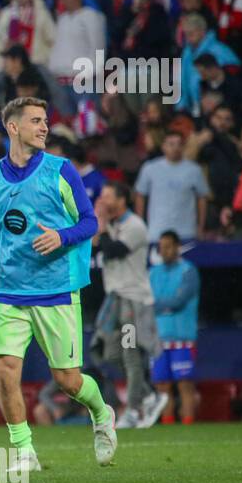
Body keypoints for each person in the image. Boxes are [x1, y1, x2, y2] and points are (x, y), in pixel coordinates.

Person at [0, 97, 112, 471]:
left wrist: (61, 237)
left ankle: (101, 412)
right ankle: (24, 451)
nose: (45, 127)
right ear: (13, 128)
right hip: (10, 291)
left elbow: (89, 222)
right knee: (5, 370)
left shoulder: (61, 170)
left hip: (56, 289)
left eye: (45, 120)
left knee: (67, 380)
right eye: (36, 121)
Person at [92, 181, 168, 428]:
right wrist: (97, 225)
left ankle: (134, 410)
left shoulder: (135, 225)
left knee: (130, 354)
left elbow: (113, 250)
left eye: (107, 196)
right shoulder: (112, 225)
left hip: (133, 300)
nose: (102, 200)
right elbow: (93, 248)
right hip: (115, 299)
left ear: (122, 200)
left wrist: (101, 226)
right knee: (108, 352)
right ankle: (149, 395)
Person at [148, 231, 201, 426]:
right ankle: (168, 425)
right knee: (162, 386)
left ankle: (187, 425)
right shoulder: (153, 273)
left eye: (169, 246)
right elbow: (147, 301)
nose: (164, 251)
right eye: (161, 247)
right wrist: (163, 304)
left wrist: (158, 304)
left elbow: (179, 300)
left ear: (177, 247)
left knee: (185, 384)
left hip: (183, 338)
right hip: (159, 339)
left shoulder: (188, 271)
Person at [133, 130, 211, 243]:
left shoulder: (194, 170)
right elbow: (140, 195)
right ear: (163, 147)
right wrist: (141, 225)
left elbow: (202, 198)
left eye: (179, 144)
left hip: (186, 232)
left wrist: (200, 226)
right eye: (171, 144)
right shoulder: (150, 168)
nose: (175, 148)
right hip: (157, 231)